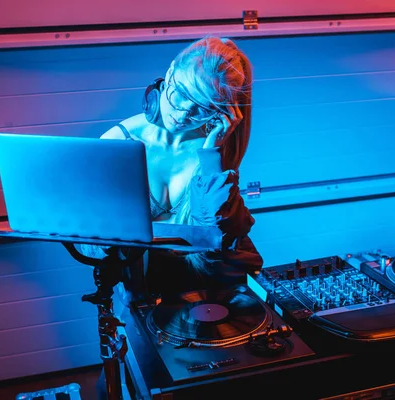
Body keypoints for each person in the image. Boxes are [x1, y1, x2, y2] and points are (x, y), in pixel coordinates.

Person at [83, 34, 263, 400]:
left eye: (202, 107)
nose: (182, 113)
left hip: (208, 287)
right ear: (168, 73)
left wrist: (212, 156)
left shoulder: (214, 144)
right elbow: (94, 242)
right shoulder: (118, 140)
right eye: (180, 94)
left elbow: (219, 232)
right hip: (140, 291)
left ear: (222, 113)